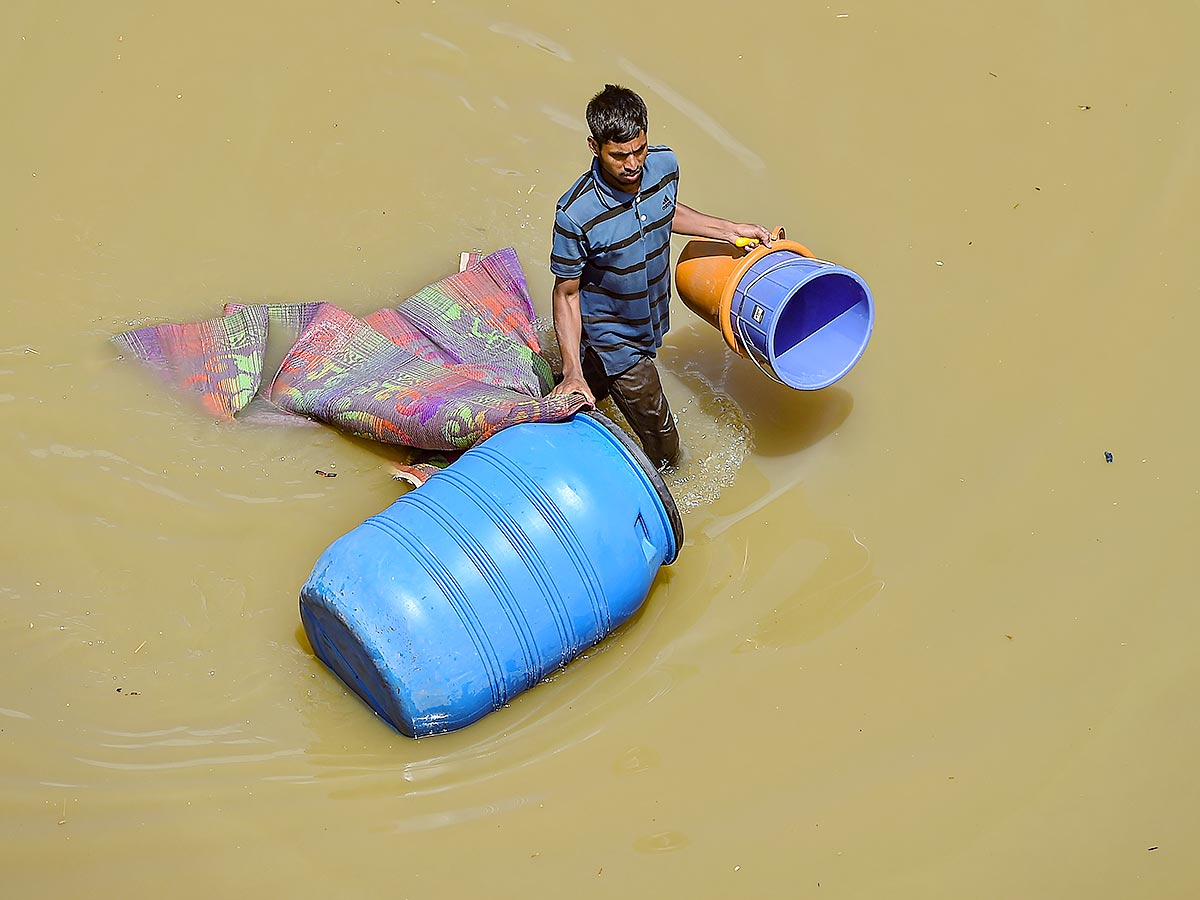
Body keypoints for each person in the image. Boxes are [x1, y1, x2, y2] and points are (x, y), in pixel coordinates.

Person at [548, 84, 770, 469]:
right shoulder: (575, 214)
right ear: (593, 147)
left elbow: (667, 209)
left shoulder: (664, 165)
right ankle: (660, 480)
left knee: (591, 383)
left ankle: (563, 398)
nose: (633, 164)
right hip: (614, 334)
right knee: (664, 444)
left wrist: (730, 229)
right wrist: (571, 371)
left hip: (649, 315)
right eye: (619, 156)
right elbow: (566, 294)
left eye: (639, 149)